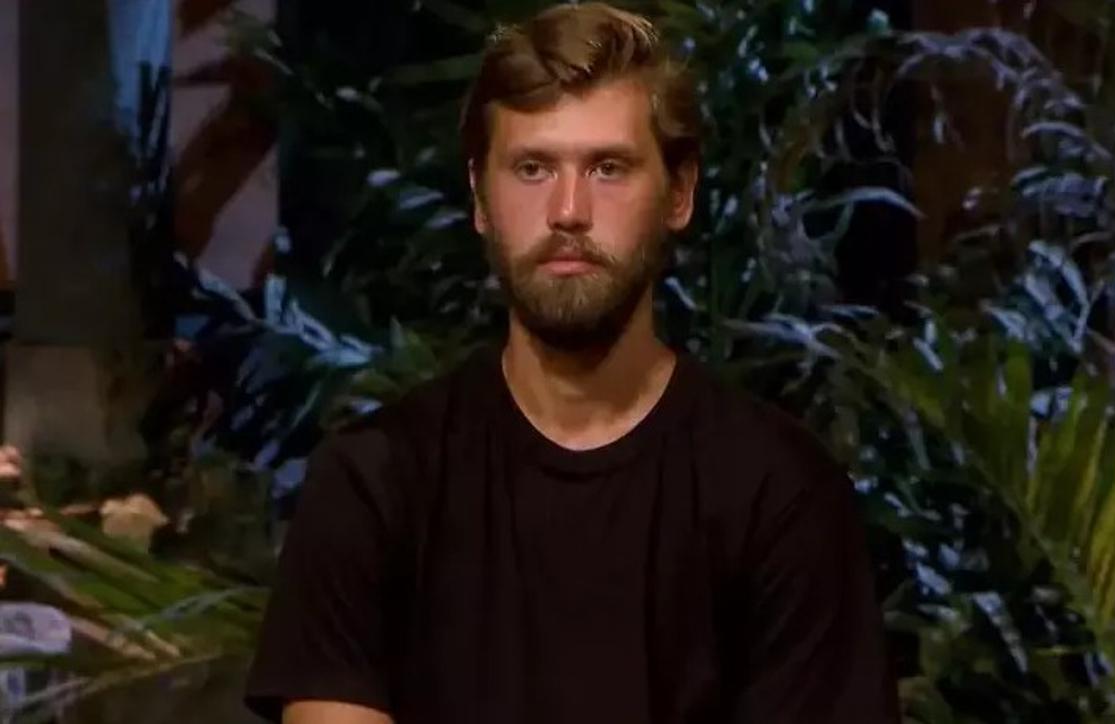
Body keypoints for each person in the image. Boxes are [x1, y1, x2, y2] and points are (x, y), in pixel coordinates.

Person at [244, 3, 898, 723]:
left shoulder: (781, 494)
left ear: (679, 192)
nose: (568, 210)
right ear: (480, 197)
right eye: (532, 168)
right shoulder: (374, 484)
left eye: (608, 168)